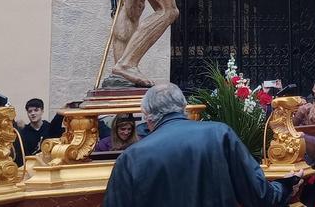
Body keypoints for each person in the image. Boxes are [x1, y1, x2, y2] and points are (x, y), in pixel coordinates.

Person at [102, 83, 301, 207]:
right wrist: (286, 185)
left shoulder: (131, 157)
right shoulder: (219, 134)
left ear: (148, 117)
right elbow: (259, 195)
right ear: (183, 108)